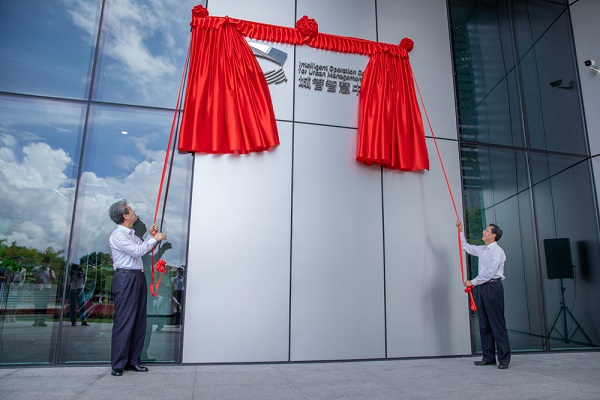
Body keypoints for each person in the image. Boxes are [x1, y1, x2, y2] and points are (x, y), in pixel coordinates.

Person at [108, 200, 166, 377]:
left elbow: (140, 248)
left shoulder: (130, 234)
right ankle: (118, 364)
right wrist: (155, 239)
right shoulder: (118, 235)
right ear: (125, 215)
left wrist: (149, 237)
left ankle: (133, 361)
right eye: (131, 209)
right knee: (125, 321)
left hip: (137, 277)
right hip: (126, 278)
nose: (134, 211)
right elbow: (137, 251)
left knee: (138, 321)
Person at [457, 220, 511, 369]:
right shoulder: (482, 249)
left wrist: (472, 282)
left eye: (487, 230)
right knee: (484, 324)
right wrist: (460, 231)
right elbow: (466, 247)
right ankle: (488, 357)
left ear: (493, 235)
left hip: (493, 288)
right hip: (482, 288)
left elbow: (489, 273)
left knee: (497, 324)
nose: (483, 232)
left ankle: (504, 359)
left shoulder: (497, 252)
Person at [31, 257, 56, 327]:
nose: (47, 264)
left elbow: (54, 280)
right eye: (45, 262)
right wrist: (35, 279)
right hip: (37, 288)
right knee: (37, 305)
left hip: (46, 289)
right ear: (42, 262)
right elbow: (31, 278)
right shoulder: (36, 269)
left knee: (44, 306)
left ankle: (42, 321)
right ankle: (36, 321)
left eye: (48, 263)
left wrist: (51, 274)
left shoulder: (50, 270)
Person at [7, 256, 26, 323]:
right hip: (11, 286)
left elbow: (23, 279)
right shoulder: (10, 268)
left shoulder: (23, 269)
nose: (18, 261)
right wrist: (11, 284)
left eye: (19, 260)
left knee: (15, 303)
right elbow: (8, 277)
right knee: (9, 303)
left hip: (18, 287)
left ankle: (13, 317)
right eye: (17, 260)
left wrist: (19, 285)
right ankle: (7, 317)